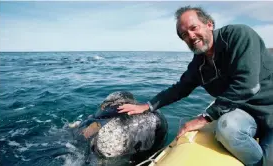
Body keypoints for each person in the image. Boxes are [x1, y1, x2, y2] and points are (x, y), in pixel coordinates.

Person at [117, 5, 273, 166]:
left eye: (194, 28)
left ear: (209, 24)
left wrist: (204, 118)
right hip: (244, 113)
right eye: (184, 34)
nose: (191, 36)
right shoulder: (198, 64)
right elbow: (180, 88)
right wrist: (148, 106)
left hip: (270, 111)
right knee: (227, 128)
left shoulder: (238, 35)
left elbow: (248, 85)